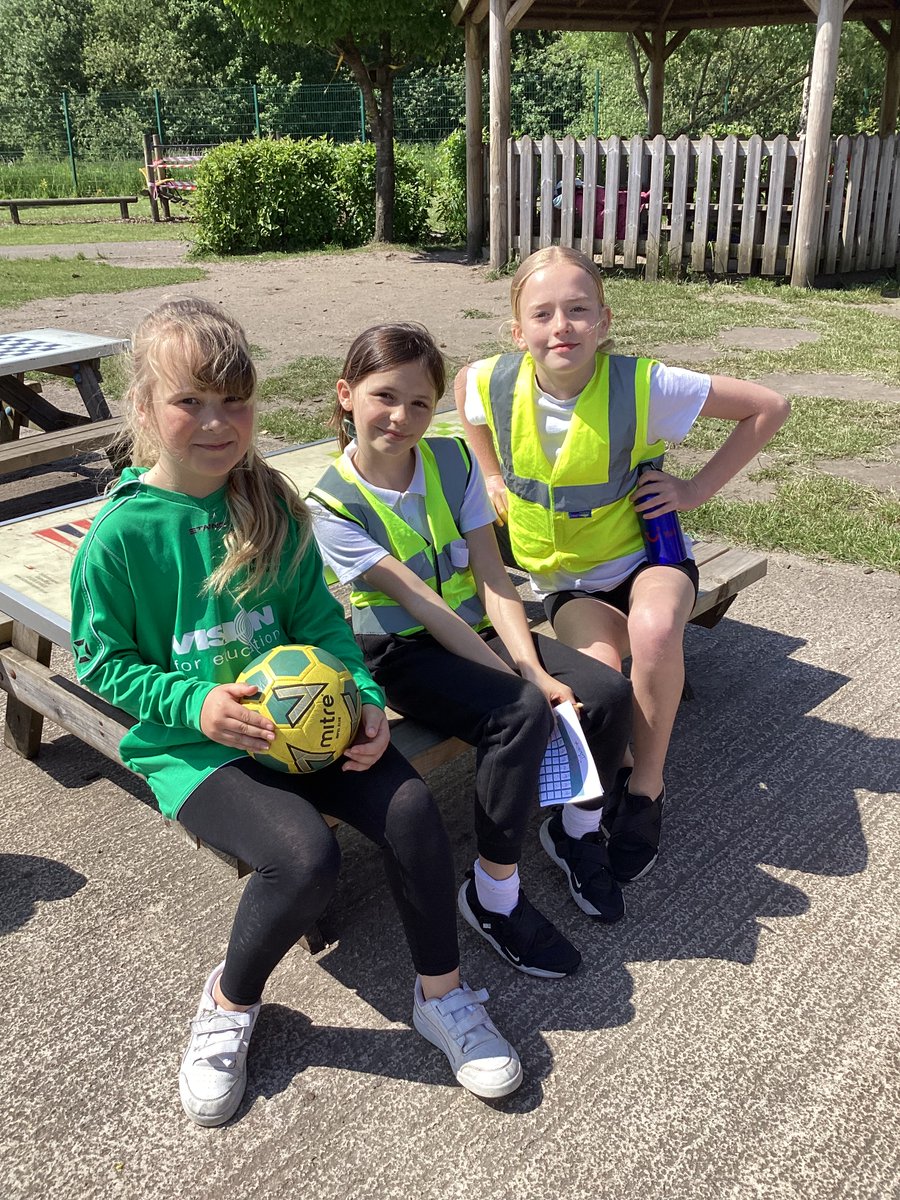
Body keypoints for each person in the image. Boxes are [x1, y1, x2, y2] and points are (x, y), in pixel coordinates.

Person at [69, 299, 523, 1127]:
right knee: (305, 859)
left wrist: (369, 701)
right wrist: (195, 702)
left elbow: (322, 627)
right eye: (189, 401)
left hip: (311, 719)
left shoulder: (273, 502)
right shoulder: (122, 536)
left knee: (414, 809)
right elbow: (103, 662)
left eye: (234, 401)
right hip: (198, 744)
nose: (217, 422)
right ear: (143, 409)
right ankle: (231, 1002)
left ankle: (443, 997)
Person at [308, 323, 633, 984]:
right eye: (383, 397)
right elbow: (423, 608)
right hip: (400, 651)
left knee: (606, 694)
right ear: (347, 395)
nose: (402, 417)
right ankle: (492, 897)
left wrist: (534, 665)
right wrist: (525, 684)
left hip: (475, 628)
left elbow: (492, 577)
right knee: (520, 713)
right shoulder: (331, 504)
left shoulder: (453, 461)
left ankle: (575, 831)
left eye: (421, 403)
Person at [455, 246, 790, 884]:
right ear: (517, 328)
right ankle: (592, 796)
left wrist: (694, 490)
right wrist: (491, 473)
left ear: (604, 319)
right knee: (600, 684)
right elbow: (464, 399)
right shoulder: (487, 380)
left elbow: (768, 406)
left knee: (657, 629)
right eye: (544, 313)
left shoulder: (644, 385)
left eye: (579, 310)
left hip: (646, 558)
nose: (562, 327)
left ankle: (645, 792)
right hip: (567, 581)